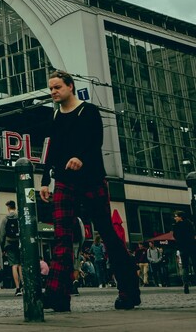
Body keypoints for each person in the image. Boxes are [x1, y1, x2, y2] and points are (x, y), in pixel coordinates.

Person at [40, 70, 140, 312]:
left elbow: (95, 141)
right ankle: (58, 295)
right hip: (64, 181)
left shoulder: (89, 111)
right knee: (62, 237)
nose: (53, 92)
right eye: (51, 88)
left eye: (57, 87)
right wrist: (44, 180)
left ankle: (129, 290)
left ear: (70, 87)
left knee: (108, 234)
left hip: (92, 180)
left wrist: (80, 157)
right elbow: (51, 150)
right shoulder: (55, 116)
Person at [0, 200, 23, 297]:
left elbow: (2, 235)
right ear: (15, 207)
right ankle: (24, 285)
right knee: (21, 265)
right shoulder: (19, 217)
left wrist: (2, 248)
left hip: (9, 243)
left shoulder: (5, 219)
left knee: (14, 265)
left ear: (8, 208)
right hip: (19, 243)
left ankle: (17, 288)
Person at [172, 210, 196, 294]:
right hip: (192, 247)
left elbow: (175, 236)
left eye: (176, 216)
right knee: (194, 264)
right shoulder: (189, 224)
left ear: (180, 217)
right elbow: (193, 234)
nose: (175, 218)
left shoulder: (176, 226)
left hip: (182, 248)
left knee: (185, 267)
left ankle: (185, 284)